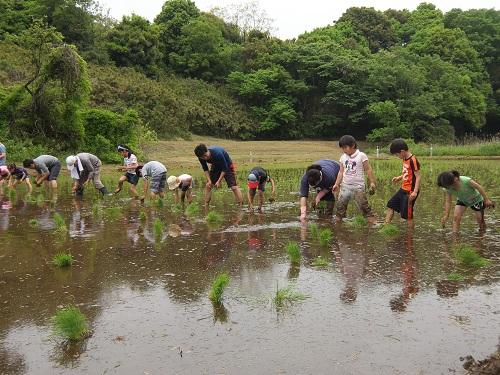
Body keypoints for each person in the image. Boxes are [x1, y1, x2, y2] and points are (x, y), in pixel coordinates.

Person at [332, 135, 376, 223]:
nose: (344, 150)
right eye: (342, 148)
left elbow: (368, 169)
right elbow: (341, 172)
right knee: (340, 210)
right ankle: (339, 227)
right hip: (345, 187)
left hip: (358, 187)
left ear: (352, 145)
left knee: (365, 209)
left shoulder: (361, 155)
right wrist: (336, 184)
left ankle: (372, 225)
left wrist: (372, 182)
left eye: (345, 147)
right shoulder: (343, 157)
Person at [385, 139, 421, 224]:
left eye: (397, 154)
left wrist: (415, 192)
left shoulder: (413, 160)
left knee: (407, 216)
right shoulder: (404, 158)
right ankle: (386, 225)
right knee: (390, 204)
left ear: (402, 151)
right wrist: (400, 177)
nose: (397, 156)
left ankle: (409, 236)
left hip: (410, 191)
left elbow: (418, 176)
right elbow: (408, 173)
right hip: (403, 189)